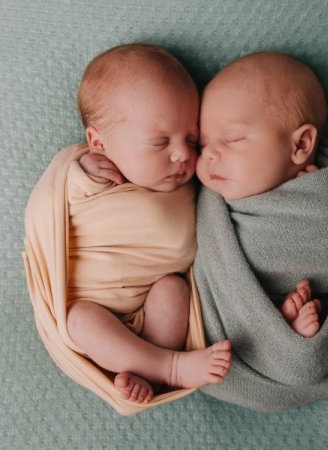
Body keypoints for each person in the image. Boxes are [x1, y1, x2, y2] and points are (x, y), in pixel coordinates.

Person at [65, 43, 231, 405]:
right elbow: (54, 203)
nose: (183, 154)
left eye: (191, 139)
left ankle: (149, 367)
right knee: (78, 319)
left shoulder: (193, 182)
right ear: (99, 143)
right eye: (160, 142)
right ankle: (169, 367)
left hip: (150, 313)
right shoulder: (91, 174)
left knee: (174, 291)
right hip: (96, 307)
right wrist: (81, 170)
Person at [196, 51, 328, 337]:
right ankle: (274, 329)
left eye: (233, 139)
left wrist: (320, 198)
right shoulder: (211, 203)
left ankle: (280, 331)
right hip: (235, 334)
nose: (208, 155)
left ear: (301, 144)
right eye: (202, 144)